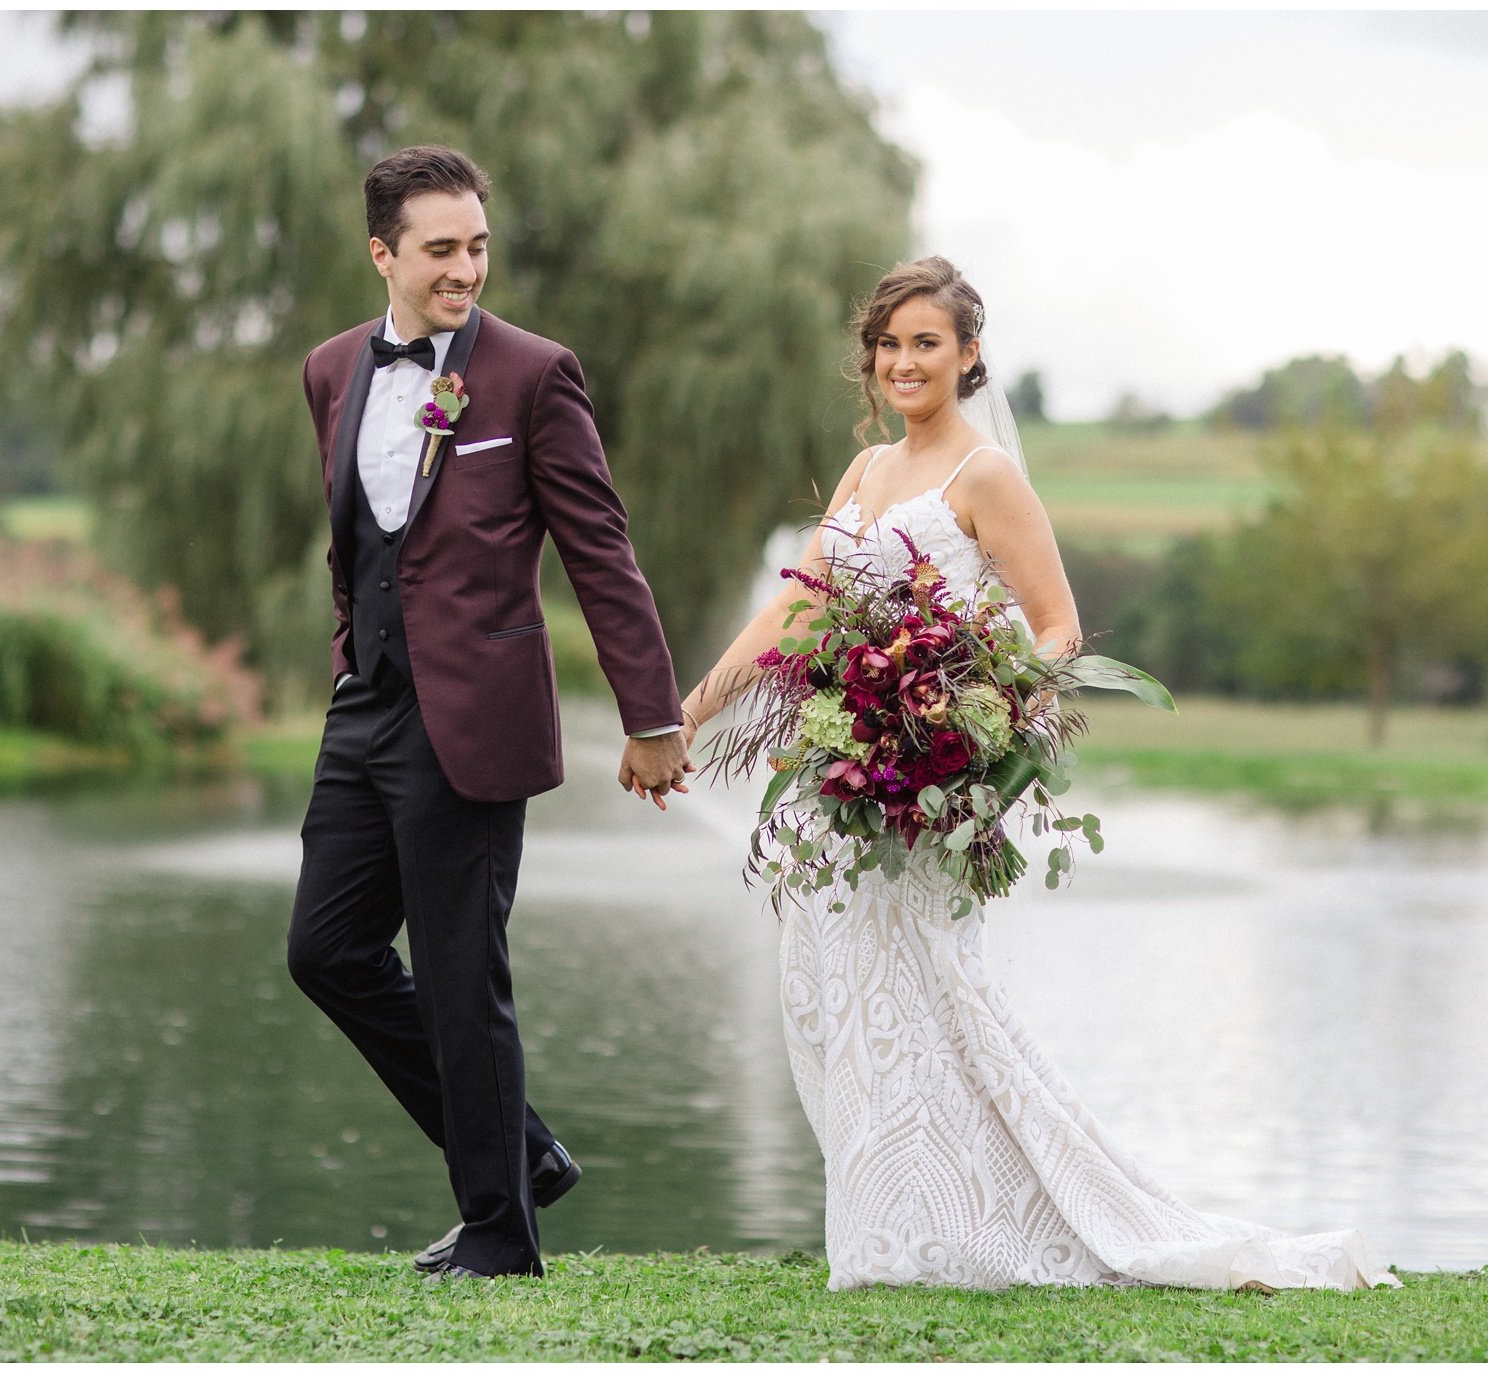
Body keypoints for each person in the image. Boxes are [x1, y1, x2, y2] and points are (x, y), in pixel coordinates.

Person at [677, 257, 1398, 1292]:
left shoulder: (985, 476)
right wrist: (692, 708)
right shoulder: (866, 474)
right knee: (831, 992)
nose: (902, 361)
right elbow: (795, 610)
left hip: (927, 782)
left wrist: (964, 710)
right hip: (846, 782)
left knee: (934, 996)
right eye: (887, 344)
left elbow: (1055, 626)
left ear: (969, 354)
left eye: (926, 342)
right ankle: (894, 1229)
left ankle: (971, 1226)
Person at [286, 145, 693, 1282]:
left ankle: (501, 1230)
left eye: (477, 246)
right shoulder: (331, 370)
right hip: (363, 707)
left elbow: (598, 552)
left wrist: (649, 714)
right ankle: (521, 1151)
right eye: (440, 250)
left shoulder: (531, 373)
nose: (466, 268)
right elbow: (359, 542)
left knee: (465, 973)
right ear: (383, 254)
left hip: (474, 720)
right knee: (323, 949)